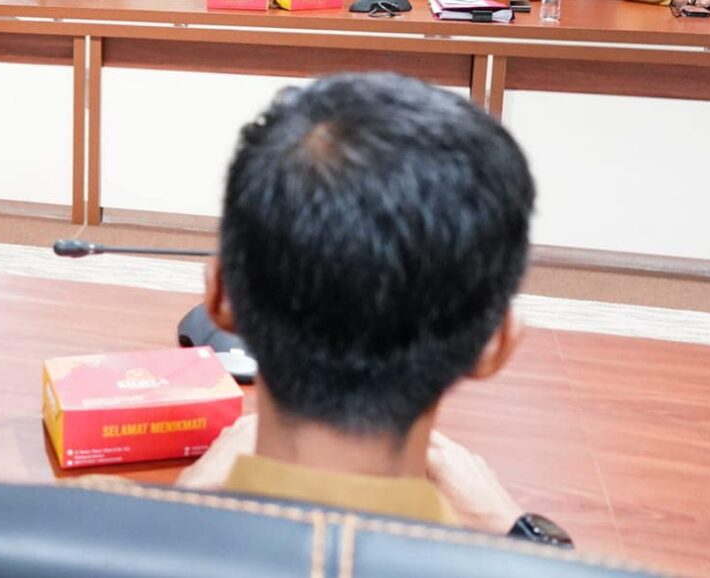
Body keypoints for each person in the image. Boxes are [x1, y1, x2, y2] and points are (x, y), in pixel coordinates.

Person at [177, 73, 572, 547]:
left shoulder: (108, 546)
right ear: (497, 341)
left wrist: (170, 511)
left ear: (219, 294)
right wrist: (524, 534)